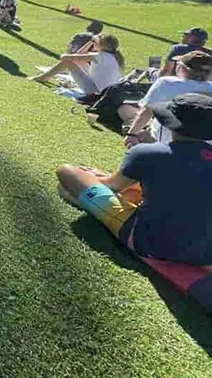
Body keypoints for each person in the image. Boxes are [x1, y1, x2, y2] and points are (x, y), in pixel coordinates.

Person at [56, 93, 212, 267]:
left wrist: (93, 175)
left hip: (152, 243)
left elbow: (110, 186)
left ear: (171, 123)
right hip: (206, 254)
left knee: (67, 172)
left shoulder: (148, 152)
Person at [120, 51, 212, 148]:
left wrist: (132, 134)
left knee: (125, 111)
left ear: (181, 67)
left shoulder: (166, 83)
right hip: (205, 149)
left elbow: (146, 111)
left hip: (166, 143)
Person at [30, 34, 124, 95]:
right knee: (78, 61)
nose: (93, 43)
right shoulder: (114, 57)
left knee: (67, 62)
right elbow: (78, 57)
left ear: (101, 45)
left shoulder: (99, 56)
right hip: (105, 92)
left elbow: (66, 57)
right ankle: (44, 77)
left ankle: (43, 78)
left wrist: (90, 42)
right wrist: (92, 41)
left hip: (95, 91)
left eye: (94, 42)